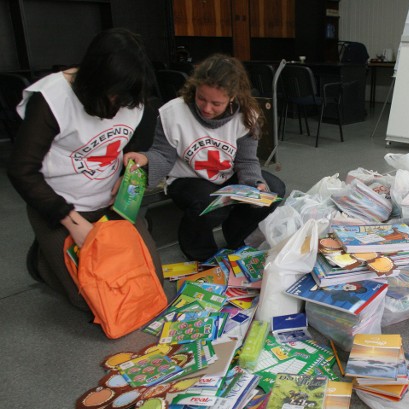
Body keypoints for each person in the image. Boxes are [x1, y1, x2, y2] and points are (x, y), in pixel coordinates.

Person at [7, 28, 164, 310]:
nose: (117, 107)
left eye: (123, 100)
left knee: (148, 286)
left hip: (110, 205)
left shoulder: (133, 96)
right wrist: (69, 220)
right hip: (61, 207)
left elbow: (138, 143)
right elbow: (21, 170)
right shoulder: (52, 98)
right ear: (94, 81)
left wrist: (131, 168)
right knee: (95, 302)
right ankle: (42, 262)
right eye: (113, 97)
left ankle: (61, 253)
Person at [125, 54, 286, 262]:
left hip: (225, 175)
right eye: (201, 98)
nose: (207, 108)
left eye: (216, 103)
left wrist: (256, 184)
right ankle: (200, 253)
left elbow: (246, 161)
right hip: (187, 178)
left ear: (233, 97)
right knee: (212, 204)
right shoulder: (173, 112)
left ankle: (236, 237)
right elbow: (163, 155)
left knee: (274, 190)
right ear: (195, 88)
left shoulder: (247, 115)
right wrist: (145, 159)